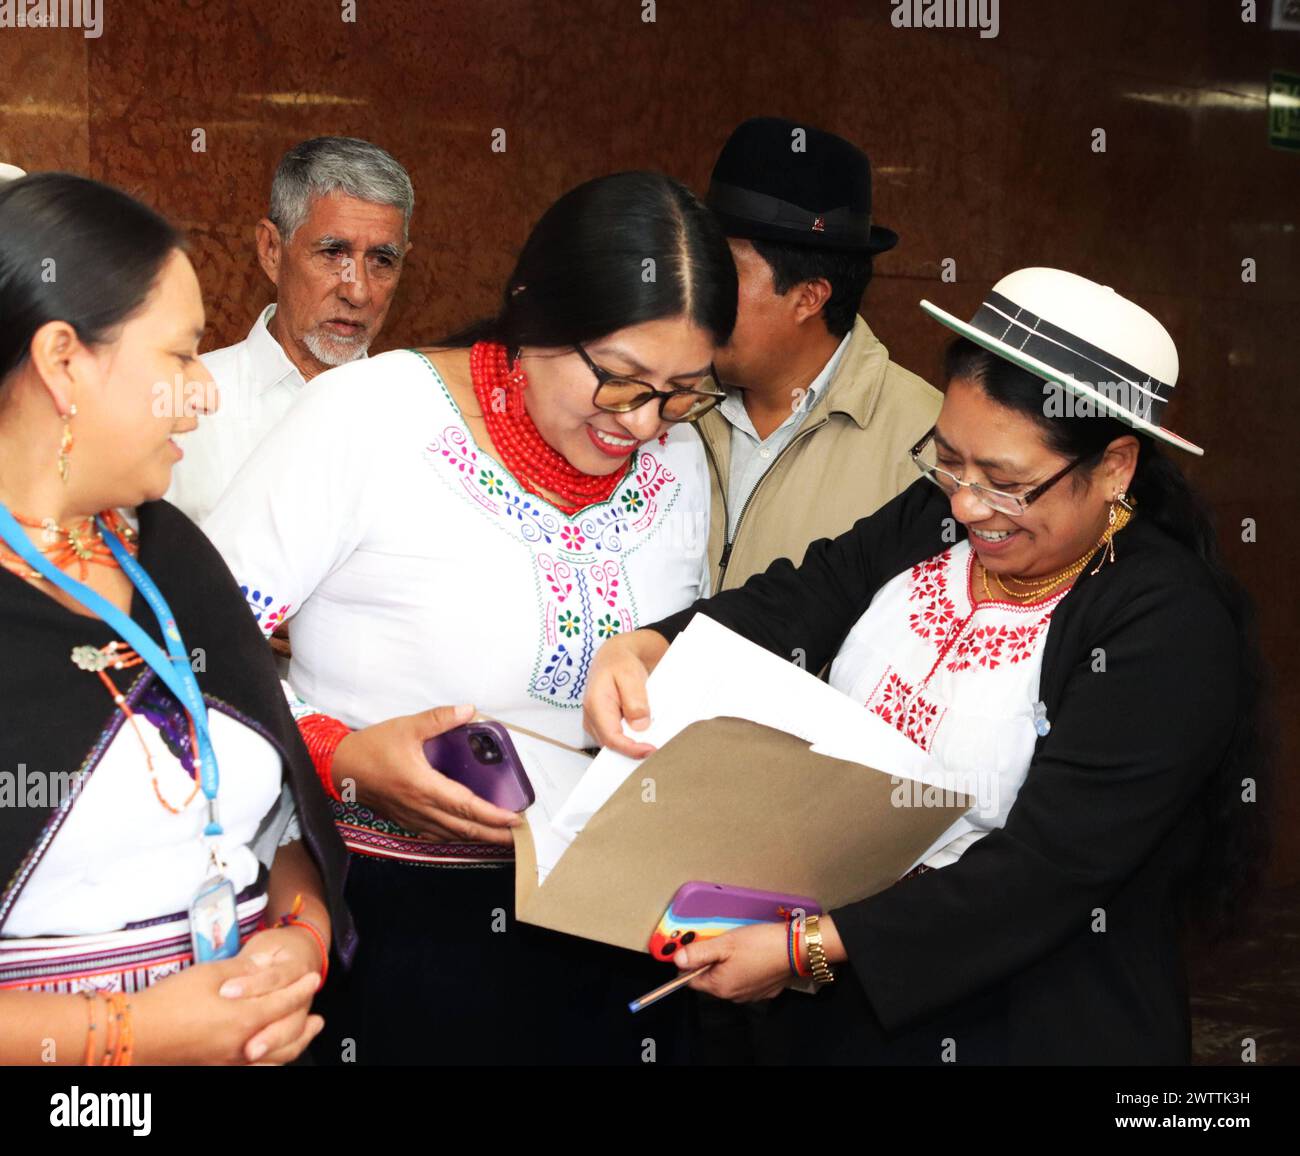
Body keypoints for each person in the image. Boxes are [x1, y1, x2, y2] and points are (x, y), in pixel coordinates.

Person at [584, 267, 1271, 1064]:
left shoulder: (1166, 623)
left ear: (1115, 467)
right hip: (842, 1003)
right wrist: (652, 644)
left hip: (1023, 1020)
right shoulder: (939, 519)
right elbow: (802, 599)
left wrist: (808, 946)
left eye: (1007, 484)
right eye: (950, 462)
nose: (969, 505)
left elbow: (1044, 872)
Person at [203, 170, 736, 1064]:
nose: (646, 425)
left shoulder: (678, 466)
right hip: (399, 929)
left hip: (612, 929)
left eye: (684, 391)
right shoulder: (372, 417)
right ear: (534, 317)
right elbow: (194, 652)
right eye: (620, 382)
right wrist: (340, 756)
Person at [0, 173, 355, 1065]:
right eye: (181, 356)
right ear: (62, 362)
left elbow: (275, 828)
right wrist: (136, 1036)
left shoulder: (170, 554)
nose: (206, 392)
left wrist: (298, 938)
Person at [697, 117, 941, 591]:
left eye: (724, 273)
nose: (698, 293)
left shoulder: (926, 443)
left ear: (809, 297)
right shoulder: (663, 399)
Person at [166, 136, 414, 524]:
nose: (358, 290)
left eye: (382, 260)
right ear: (271, 250)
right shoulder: (181, 408)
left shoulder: (423, 421)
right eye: (334, 253)